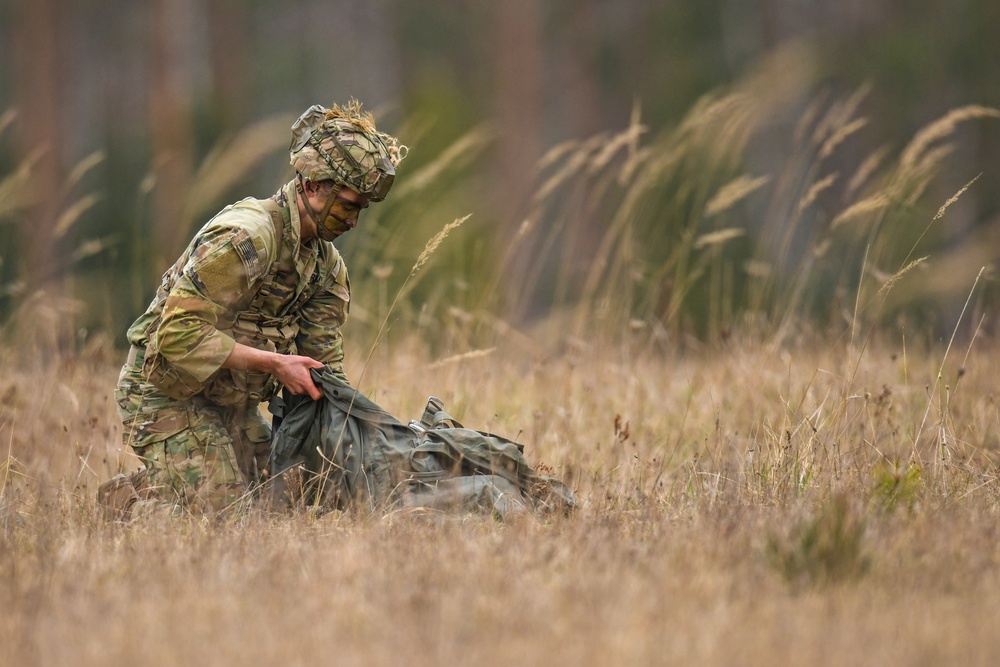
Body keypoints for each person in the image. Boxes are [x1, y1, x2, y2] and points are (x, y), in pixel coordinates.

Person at [98, 100, 406, 519]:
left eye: (361, 210)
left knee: (287, 505)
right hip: (164, 396)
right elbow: (176, 335)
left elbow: (325, 374)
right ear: (313, 186)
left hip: (231, 408)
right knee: (227, 520)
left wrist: (370, 445)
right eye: (349, 205)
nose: (354, 221)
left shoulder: (326, 270)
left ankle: (165, 487)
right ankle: (132, 507)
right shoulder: (248, 238)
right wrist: (275, 364)